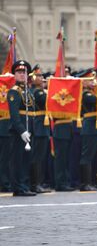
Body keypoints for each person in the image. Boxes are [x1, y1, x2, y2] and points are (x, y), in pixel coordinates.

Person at [7, 60, 37, 196]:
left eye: (24, 72)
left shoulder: (28, 91)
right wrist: (22, 131)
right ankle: (18, 187)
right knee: (17, 160)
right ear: (14, 75)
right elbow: (14, 115)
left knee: (27, 159)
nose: (22, 75)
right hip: (19, 130)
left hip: (29, 127)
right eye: (19, 72)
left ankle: (24, 185)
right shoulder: (14, 92)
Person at [78, 68, 97, 192]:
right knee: (86, 155)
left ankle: (90, 181)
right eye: (90, 80)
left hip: (94, 126)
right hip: (89, 125)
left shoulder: (92, 93)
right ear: (84, 82)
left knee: (91, 155)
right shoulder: (85, 94)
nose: (93, 82)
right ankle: (85, 183)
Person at [29, 65, 51, 193]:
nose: (42, 78)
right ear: (32, 78)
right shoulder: (38, 92)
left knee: (40, 156)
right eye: (38, 76)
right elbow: (49, 102)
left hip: (40, 125)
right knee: (37, 156)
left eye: (42, 76)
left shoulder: (36, 91)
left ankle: (38, 182)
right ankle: (35, 184)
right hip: (39, 126)